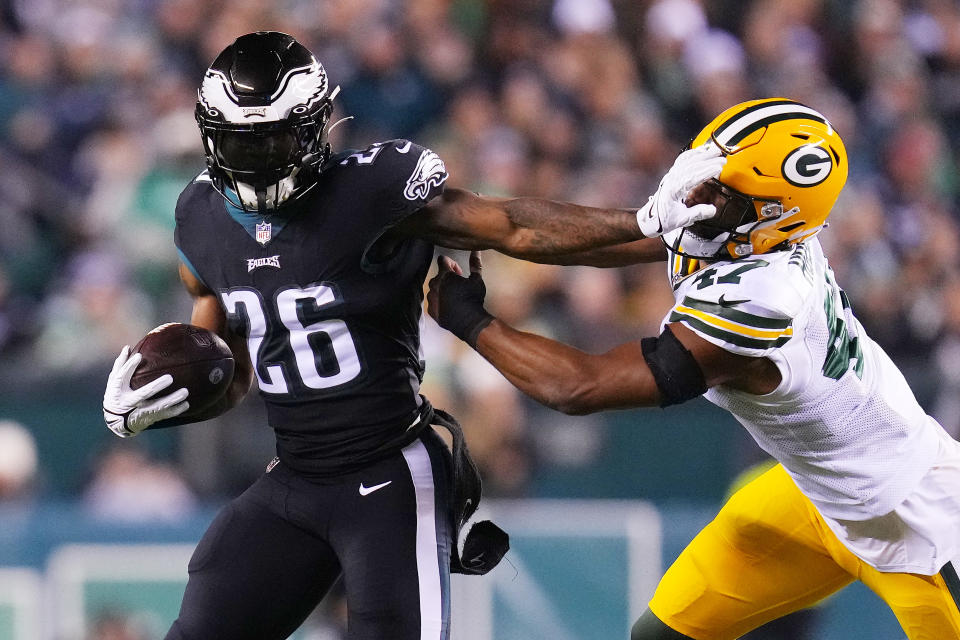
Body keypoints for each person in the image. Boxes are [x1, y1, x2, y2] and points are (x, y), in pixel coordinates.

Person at [99, 31, 714, 640]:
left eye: (272, 141)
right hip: (294, 475)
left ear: (313, 131)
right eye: (238, 141)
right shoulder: (200, 219)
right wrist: (161, 398)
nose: (253, 161)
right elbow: (231, 377)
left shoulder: (371, 190)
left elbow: (512, 226)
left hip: (388, 474)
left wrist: (648, 226)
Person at [427, 98, 960, 639]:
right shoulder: (751, 230)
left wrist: (471, 321)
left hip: (922, 525)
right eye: (707, 169)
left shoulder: (766, 299)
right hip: (819, 497)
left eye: (722, 192)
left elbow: (578, 387)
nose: (700, 194)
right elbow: (538, 231)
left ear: (771, 214)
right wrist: (423, 213)